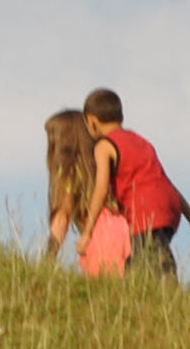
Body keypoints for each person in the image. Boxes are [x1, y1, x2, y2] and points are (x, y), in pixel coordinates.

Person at [79, 89, 190, 281]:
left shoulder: (104, 146)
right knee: (141, 259)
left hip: (145, 210)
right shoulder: (140, 142)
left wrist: (87, 233)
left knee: (152, 259)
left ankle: (169, 288)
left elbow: (101, 189)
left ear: (91, 121)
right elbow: (165, 182)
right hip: (168, 206)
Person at [46, 109, 129, 276]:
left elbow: (62, 216)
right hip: (128, 229)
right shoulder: (105, 162)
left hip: (101, 236)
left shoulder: (69, 174)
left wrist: (48, 260)